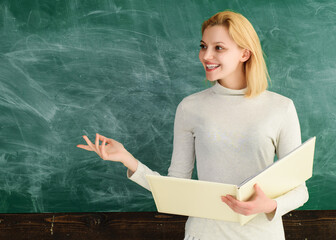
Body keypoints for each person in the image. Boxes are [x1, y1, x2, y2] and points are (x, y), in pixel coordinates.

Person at [77, 10, 309, 240]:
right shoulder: (191, 107)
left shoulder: (280, 107)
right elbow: (176, 186)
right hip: (203, 234)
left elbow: (299, 190)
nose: (206, 55)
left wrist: (270, 205)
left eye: (219, 47)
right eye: (203, 46)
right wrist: (128, 159)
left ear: (244, 54)